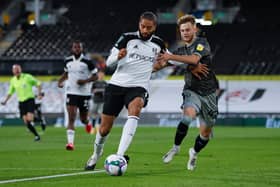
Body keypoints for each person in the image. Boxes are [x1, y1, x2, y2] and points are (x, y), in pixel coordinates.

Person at [84, 11, 207, 171]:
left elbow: (170, 58)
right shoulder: (127, 38)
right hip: (116, 85)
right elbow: (109, 62)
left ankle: (120, 155)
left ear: (154, 27)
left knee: (136, 109)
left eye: (149, 27)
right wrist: (118, 57)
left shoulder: (158, 44)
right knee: (104, 128)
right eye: (142, 26)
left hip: (138, 87)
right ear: (139, 24)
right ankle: (95, 155)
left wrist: (192, 66)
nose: (145, 30)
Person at [158, 14, 219, 171]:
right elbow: (165, 63)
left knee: (205, 134)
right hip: (192, 90)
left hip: (209, 93)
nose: (184, 33)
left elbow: (193, 60)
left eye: (187, 29)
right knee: (187, 118)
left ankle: (194, 152)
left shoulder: (202, 43)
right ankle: (175, 148)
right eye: (182, 30)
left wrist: (172, 57)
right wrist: (153, 67)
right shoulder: (180, 50)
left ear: (195, 29)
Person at [57, 40, 98, 151]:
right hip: (71, 92)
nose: (77, 49)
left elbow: (96, 76)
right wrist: (60, 81)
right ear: (72, 49)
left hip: (84, 93)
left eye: (78, 47)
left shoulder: (88, 61)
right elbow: (66, 73)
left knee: (83, 118)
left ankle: (88, 123)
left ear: (81, 49)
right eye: (75, 47)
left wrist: (85, 81)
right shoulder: (67, 61)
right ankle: (70, 143)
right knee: (71, 117)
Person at [1, 64, 42, 141]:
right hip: (21, 102)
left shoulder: (27, 77)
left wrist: (39, 94)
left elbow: (38, 83)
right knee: (26, 122)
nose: (16, 70)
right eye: (15, 69)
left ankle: (40, 120)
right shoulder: (13, 80)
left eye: (18, 69)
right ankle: (37, 135)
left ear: (20, 69)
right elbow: (10, 92)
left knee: (29, 119)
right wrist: (5, 101)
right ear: (13, 71)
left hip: (29, 100)